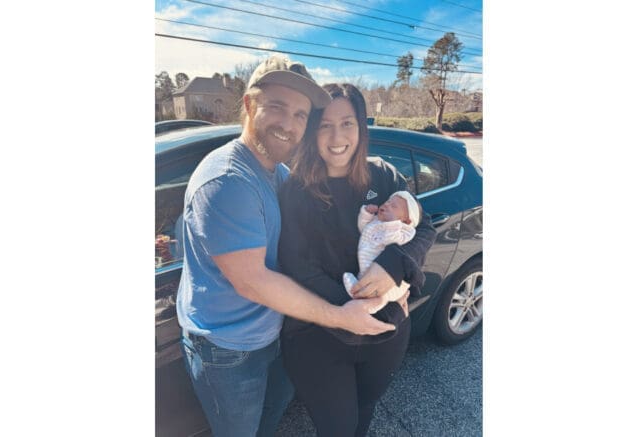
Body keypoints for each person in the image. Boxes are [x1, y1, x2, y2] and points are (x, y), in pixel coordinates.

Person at [174, 56, 399, 437]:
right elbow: (254, 282)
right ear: (249, 105)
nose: (289, 124)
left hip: (272, 334)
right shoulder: (227, 181)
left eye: (300, 115)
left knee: (267, 425)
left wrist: (396, 264)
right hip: (229, 350)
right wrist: (343, 315)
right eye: (276, 107)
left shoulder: (277, 172)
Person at [278, 83, 437, 437]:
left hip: (386, 331)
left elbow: (423, 227)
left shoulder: (383, 175)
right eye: (325, 125)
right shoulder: (295, 190)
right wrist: (354, 309)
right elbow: (297, 265)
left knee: (365, 411)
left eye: (347, 123)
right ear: (312, 131)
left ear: (361, 127)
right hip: (318, 334)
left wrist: (393, 267)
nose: (338, 136)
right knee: (338, 428)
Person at [342, 190, 422, 314]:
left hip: (390, 281)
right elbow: (364, 229)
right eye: (387, 202)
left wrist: (391, 224)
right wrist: (366, 214)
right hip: (368, 264)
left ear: (406, 221)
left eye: (394, 206)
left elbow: (392, 241)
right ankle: (357, 289)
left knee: (381, 293)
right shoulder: (377, 222)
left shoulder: (402, 231)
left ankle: (373, 304)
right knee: (365, 283)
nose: (387, 205)